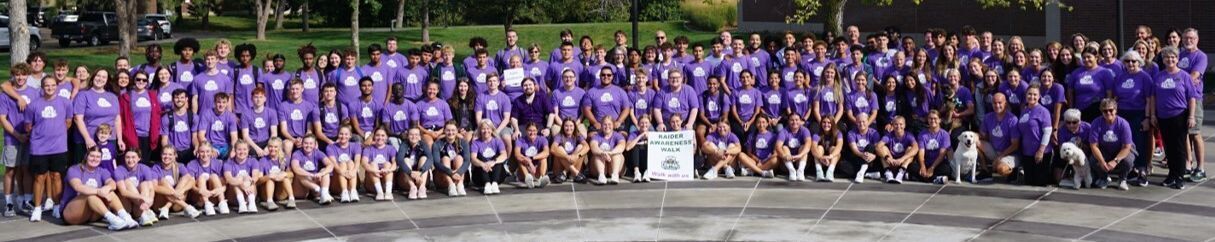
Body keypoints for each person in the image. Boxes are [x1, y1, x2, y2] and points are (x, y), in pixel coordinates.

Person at [1150, 46, 1199, 189]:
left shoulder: (1184, 76)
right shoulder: (1159, 76)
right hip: (1163, 117)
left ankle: (1179, 176)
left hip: (1179, 115)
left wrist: (1191, 116)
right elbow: (1153, 97)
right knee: (1168, 147)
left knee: (1179, 147)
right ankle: (1171, 175)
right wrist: (1153, 115)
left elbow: (1192, 98)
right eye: (1167, 57)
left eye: (1173, 57)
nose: (1170, 59)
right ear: (1163, 60)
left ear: (1177, 59)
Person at [26, 76, 72, 222]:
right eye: (47, 85)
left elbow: (68, 122)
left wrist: (56, 133)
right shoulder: (33, 105)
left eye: (53, 85)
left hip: (58, 146)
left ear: (56, 87)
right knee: (39, 177)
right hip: (39, 147)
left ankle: (57, 206)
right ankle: (38, 208)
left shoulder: (66, 103)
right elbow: (28, 126)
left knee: (57, 176)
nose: (50, 88)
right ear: (42, 87)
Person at [59, 148, 139, 230]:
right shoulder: (74, 169)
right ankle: (113, 219)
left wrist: (107, 188)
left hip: (93, 213)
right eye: (92, 156)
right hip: (72, 212)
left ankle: (125, 216)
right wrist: (98, 191)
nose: (94, 159)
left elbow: (113, 184)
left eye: (98, 157)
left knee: (109, 191)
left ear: (101, 159)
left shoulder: (102, 171)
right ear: (86, 156)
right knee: (90, 195)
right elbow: (78, 187)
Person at [1, 63, 37, 217]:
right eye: (17, 75)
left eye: (23, 75)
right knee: (11, 170)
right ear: (13, 76)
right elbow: (2, 118)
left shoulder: (35, 92)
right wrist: (17, 135)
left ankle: (27, 200)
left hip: (30, 138)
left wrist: (31, 133)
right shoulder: (5, 95)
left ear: (28, 75)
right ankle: (9, 202)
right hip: (12, 138)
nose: (20, 77)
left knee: (27, 168)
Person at [74, 69, 124, 168]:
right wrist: (87, 138)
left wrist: (120, 139)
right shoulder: (83, 95)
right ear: (93, 77)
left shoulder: (112, 97)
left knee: (108, 168)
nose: (100, 79)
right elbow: (78, 119)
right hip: (90, 139)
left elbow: (117, 119)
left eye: (103, 77)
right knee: (87, 169)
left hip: (110, 139)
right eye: (98, 76)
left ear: (107, 80)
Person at [1088, 99, 1135, 190]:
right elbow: (1094, 145)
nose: (1108, 113)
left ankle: (1122, 179)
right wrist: (1102, 162)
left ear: (1116, 110)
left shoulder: (1123, 124)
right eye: (1105, 111)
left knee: (1128, 160)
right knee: (1093, 160)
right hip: (1104, 149)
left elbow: (1126, 147)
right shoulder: (1096, 123)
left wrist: (1115, 161)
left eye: (1111, 110)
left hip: (1121, 149)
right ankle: (1103, 178)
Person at [1178, 29, 1206, 182]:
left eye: (1192, 38)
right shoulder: (1180, 55)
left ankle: (1200, 167)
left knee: (1195, 133)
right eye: (1186, 38)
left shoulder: (1200, 56)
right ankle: (1188, 164)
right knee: (1184, 134)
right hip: (1179, 101)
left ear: (1197, 39)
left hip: (1194, 99)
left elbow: (1194, 77)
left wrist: (1178, 81)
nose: (1189, 40)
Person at [119, 72, 161, 164]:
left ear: (147, 82)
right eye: (138, 79)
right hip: (132, 135)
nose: (141, 81)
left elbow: (157, 115)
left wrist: (156, 131)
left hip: (148, 136)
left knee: (144, 163)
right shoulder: (126, 96)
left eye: (144, 80)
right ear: (134, 80)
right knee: (132, 163)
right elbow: (121, 118)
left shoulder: (152, 96)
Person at [1017, 86, 1054, 186]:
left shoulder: (1043, 111)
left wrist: (1041, 151)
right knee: (1028, 182)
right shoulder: (1023, 111)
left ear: (1039, 96)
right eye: (1029, 94)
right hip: (1027, 153)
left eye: (1035, 94)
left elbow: (1047, 132)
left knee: (1039, 183)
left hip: (1041, 153)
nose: (1032, 96)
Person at [150, 147, 202, 219]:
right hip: (160, 204)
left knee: (186, 178)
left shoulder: (179, 166)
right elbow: (155, 187)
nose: (167, 157)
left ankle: (166, 208)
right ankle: (187, 207)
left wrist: (182, 190)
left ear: (175, 156)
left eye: (170, 154)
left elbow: (191, 180)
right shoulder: (156, 168)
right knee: (163, 181)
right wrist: (173, 192)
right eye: (164, 154)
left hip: (176, 206)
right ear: (161, 155)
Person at [1067, 47, 1115, 121]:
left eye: (1089, 57)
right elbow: (1070, 91)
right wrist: (1071, 109)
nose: (1086, 60)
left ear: (1096, 57)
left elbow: (1109, 93)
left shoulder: (1105, 73)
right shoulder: (1076, 72)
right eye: (1084, 58)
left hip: (1098, 111)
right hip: (1079, 111)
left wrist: (1107, 110)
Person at [290, 136, 335, 204]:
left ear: (314, 145)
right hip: (302, 189)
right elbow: (295, 168)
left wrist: (321, 174)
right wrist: (311, 174)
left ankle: (324, 192)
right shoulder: (297, 153)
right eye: (306, 143)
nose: (308, 145)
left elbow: (330, 165)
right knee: (299, 173)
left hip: (314, 182)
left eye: (311, 143)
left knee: (324, 170)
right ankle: (320, 191)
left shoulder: (317, 152)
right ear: (302, 144)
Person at [187, 142, 227, 215]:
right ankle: (207, 204)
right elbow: (191, 185)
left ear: (212, 152)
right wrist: (200, 191)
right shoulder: (192, 164)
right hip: (199, 198)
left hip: (214, 195)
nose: (205, 154)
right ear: (198, 152)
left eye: (207, 151)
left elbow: (225, 184)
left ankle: (222, 202)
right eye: (202, 152)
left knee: (214, 176)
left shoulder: (218, 163)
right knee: (201, 177)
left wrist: (215, 191)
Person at [194, 93, 239, 159]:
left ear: (227, 103)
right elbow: (201, 135)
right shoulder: (206, 114)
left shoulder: (231, 116)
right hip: (211, 144)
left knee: (234, 156)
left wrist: (233, 150)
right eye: (219, 102)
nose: (221, 105)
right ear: (214, 102)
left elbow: (234, 137)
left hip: (225, 145)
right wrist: (210, 148)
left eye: (224, 102)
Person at [914, 111, 952, 184]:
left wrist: (932, 168)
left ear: (940, 120)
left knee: (947, 170)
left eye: (935, 118)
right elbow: (921, 152)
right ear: (927, 120)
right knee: (912, 167)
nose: (933, 120)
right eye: (930, 118)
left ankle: (922, 178)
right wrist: (923, 166)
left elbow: (942, 154)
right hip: (926, 162)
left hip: (938, 164)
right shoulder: (922, 134)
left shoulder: (945, 134)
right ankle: (935, 179)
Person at [255, 138, 294, 210]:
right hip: (266, 193)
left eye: (275, 147)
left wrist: (284, 174)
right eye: (270, 146)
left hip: (279, 193)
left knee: (285, 177)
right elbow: (258, 181)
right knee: (270, 180)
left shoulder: (285, 158)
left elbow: (292, 174)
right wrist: (268, 176)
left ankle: (291, 199)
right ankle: (269, 201)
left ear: (280, 148)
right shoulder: (263, 160)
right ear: (268, 147)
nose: (273, 149)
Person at [433, 121, 470, 196]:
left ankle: (460, 185)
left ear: (457, 131)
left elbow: (467, 161)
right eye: (448, 130)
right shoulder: (437, 143)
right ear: (444, 131)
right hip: (443, 178)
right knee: (445, 158)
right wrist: (451, 172)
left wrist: (459, 172)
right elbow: (436, 163)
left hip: (459, 176)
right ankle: (451, 186)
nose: (450, 133)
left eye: (453, 130)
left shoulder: (463, 142)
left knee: (459, 158)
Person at [471, 120, 509, 194]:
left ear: (492, 130)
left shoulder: (498, 141)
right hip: (480, 176)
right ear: (480, 130)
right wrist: (483, 164)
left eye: (488, 128)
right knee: (480, 157)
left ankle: (494, 184)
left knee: (498, 157)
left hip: (497, 174)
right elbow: (473, 158)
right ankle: (487, 184)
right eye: (483, 129)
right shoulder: (475, 143)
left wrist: (493, 162)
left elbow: (504, 155)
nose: (486, 131)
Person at [877, 116, 918, 184]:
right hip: (891, 162)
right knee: (883, 148)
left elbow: (916, 148)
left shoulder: (909, 135)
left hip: (902, 162)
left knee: (910, 149)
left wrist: (902, 159)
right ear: (892, 125)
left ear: (904, 125)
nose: (898, 126)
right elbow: (878, 147)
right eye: (896, 124)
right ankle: (888, 172)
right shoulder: (889, 135)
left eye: (901, 124)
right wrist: (888, 158)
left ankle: (901, 172)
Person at [279, 79, 316, 155]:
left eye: (297, 89)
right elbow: (283, 130)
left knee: (314, 145)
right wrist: (294, 140)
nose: (295, 91)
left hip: (304, 136)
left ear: (302, 89)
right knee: (287, 145)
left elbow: (309, 129)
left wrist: (304, 139)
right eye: (292, 89)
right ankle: (287, 166)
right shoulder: (283, 106)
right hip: (289, 137)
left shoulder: (309, 106)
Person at [191, 51, 233, 115]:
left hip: (220, 116)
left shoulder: (225, 79)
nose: (210, 62)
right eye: (208, 59)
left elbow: (228, 99)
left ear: (217, 60)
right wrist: (194, 116)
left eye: (212, 59)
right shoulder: (197, 79)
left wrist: (229, 115)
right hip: (203, 116)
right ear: (204, 61)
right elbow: (194, 99)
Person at [326, 126, 361, 203]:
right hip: (337, 181)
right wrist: (344, 173)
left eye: (346, 134)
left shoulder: (356, 146)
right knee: (342, 164)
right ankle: (344, 192)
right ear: (338, 134)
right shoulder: (330, 147)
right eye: (341, 134)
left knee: (351, 163)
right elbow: (334, 164)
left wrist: (353, 171)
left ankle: (353, 191)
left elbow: (357, 161)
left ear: (350, 135)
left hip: (352, 177)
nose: (343, 136)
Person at [361, 128, 397, 201]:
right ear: (374, 137)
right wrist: (374, 171)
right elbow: (364, 163)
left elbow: (395, 163)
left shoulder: (391, 148)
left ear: (387, 137)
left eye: (383, 135)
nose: (380, 137)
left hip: (385, 182)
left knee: (387, 163)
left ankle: (388, 192)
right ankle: (379, 192)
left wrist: (388, 170)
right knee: (373, 164)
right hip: (372, 184)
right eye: (377, 135)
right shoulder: (368, 149)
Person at [223, 142, 260, 213]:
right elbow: (228, 179)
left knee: (248, 178)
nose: (242, 152)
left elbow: (255, 177)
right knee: (238, 179)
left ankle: (252, 203)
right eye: (239, 149)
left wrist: (248, 183)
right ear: (235, 150)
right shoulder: (228, 163)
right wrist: (240, 184)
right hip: (234, 196)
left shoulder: (253, 161)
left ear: (248, 150)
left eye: (244, 149)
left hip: (250, 191)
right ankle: (242, 204)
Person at [242, 87, 278, 157]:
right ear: (251, 98)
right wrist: (257, 149)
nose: (258, 100)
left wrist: (268, 147)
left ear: (265, 99)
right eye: (256, 97)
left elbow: (274, 133)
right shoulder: (245, 114)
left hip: (266, 142)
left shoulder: (271, 113)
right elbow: (245, 136)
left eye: (261, 97)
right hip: (252, 143)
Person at [589, 117, 627, 185]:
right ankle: (601, 176)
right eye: (605, 124)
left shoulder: (618, 135)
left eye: (609, 124)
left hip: (613, 166)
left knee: (618, 154)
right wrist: (602, 153)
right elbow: (593, 147)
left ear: (613, 125)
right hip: (601, 166)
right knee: (597, 154)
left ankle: (615, 175)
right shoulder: (596, 136)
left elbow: (622, 145)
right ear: (601, 125)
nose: (607, 126)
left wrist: (611, 153)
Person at [551, 118, 590, 183]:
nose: (569, 128)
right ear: (563, 127)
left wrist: (577, 156)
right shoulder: (559, 136)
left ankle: (565, 172)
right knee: (559, 148)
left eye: (571, 126)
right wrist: (566, 156)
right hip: (560, 169)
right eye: (566, 126)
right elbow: (552, 149)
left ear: (574, 127)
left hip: (575, 164)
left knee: (580, 147)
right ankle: (575, 173)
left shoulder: (578, 135)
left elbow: (587, 147)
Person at [777, 114, 814, 182]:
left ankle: (800, 171)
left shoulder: (805, 130)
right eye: (792, 120)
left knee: (803, 147)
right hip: (787, 161)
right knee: (784, 147)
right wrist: (784, 156)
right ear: (788, 121)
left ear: (800, 121)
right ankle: (792, 170)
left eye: (797, 120)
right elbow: (778, 147)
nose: (794, 122)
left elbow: (808, 144)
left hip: (800, 159)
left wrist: (799, 155)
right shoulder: (783, 131)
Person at [397, 128, 431, 199]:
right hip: (407, 178)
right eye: (411, 134)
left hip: (421, 178)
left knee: (424, 158)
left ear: (419, 137)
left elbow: (431, 159)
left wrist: (421, 172)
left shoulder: (423, 145)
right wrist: (410, 173)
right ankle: (412, 188)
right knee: (405, 159)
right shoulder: (404, 144)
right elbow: (399, 160)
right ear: (407, 136)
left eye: (416, 134)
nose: (414, 137)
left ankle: (422, 188)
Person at [514, 123, 550, 188]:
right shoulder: (520, 140)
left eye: (534, 130)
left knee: (544, 158)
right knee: (520, 159)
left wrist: (532, 158)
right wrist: (528, 161)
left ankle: (542, 178)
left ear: (537, 131)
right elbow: (517, 154)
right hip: (525, 167)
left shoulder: (542, 139)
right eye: (530, 130)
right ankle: (527, 178)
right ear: (526, 130)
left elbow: (546, 152)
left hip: (536, 169)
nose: (532, 132)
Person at [348, 77, 381, 142]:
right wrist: (365, 137)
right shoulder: (353, 104)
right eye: (364, 86)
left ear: (372, 87)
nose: (367, 88)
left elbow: (377, 125)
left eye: (369, 85)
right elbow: (356, 126)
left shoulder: (378, 104)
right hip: (359, 133)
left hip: (374, 133)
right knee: (357, 140)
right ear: (360, 88)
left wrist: (371, 137)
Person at [813, 117, 844, 182]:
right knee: (819, 148)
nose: (826, 124)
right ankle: (819, 172)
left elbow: (839, 146)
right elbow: (813, 148)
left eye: (829, 122)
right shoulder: (817, 134)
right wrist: (821, 157)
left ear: (832, 124)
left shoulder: (838, 133)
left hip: (832, 160)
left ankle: (830, 172)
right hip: (821, 159)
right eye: (824, 122)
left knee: (834, 148)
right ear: (821, 123)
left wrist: (830, 156)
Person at [625, 115, 653, 182]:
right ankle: (637, 173)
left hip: (648, 163)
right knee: (635, 146)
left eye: (646, 123)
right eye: (642, 123)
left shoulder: (653, 134)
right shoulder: (633, 134)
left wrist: (649, 139)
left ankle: (647, 172)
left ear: (649, 124)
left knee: (647, 146)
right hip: (635, 163)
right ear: (638, 124)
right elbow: (628, 148)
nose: (644, 125)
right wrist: (640, 136)